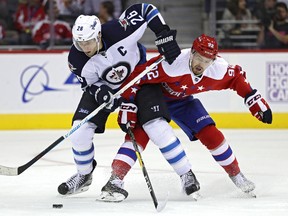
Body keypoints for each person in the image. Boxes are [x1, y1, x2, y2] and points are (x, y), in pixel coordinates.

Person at [99, 34, 273, 202]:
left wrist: (252, 98)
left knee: (211, 134)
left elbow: (236, 77)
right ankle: (115, 179)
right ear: (192, 53)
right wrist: (128, 103)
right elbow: (136, 77)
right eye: (199, 58)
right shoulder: (172, 63)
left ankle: (237, 175)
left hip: (181, 101)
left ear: (213, 60)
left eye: (207, 61)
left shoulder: (218, 69)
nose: (201, 64)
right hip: (154, 96)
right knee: (139, 135)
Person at [57, 3, 198, 199]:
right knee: (79, 130)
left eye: (88, 42)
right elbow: (89, 85)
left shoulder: (119, 30)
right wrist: (101, 92)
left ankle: (186, 174)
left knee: (156, 126)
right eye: (80, 43)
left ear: (98, 35)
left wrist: (162, 33)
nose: (84, 47)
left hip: (141, 78)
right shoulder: (76, 58)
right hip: (107, 88)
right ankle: (83, 175)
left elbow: (145, 9)